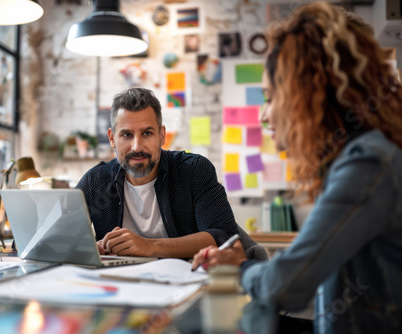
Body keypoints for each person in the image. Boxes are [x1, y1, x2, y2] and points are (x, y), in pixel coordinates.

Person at [192, 2, 402, 333]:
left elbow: (285, 287)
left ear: (307, 95)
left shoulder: (367, 163)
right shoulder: (358, 157)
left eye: (270, 98)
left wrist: (242, 267)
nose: (263, 116)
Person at [77, 88, 267, 260]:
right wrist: (90, 249)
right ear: (112, 138)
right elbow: (59, 239)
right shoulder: (95, 181)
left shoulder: (194, 171)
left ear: (161, 136)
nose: (137, 147)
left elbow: (223, 237)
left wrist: (149, 246)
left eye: (147, 133)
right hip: (118, 287)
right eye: (127, 135)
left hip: (185, 285)